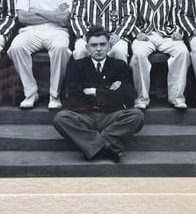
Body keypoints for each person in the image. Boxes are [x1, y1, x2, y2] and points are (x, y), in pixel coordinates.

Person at [53, 26, 144, 162]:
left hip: (111, 116)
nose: (99, 49)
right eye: (94, 45)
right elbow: (74, 98)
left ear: (109, 46)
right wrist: (109, 93)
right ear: (87, 48)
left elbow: (128, 97)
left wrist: (94, 91)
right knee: (60, 118)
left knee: (137, 116)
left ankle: (92, 147)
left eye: (103, 44)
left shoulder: (119, 65)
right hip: (85, 116)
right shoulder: (76, 66)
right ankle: (109, 147)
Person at [9, 0, 74, 110]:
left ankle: (54, 95)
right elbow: (22, 17)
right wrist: (53, 13)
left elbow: (64, 18)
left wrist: (37, 11)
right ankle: (30, 93)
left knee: (60, 47)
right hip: (31, 31)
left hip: (57, 31)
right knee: (16, 47)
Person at [129, 0, 190, 110]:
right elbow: (131, 18)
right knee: (138, 54)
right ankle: (142, 98)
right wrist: (137, 33)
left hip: (166, 36)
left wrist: (178, 31)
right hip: (145, 35)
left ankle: (176, 97)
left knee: (182, 52)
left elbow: (178, 18)